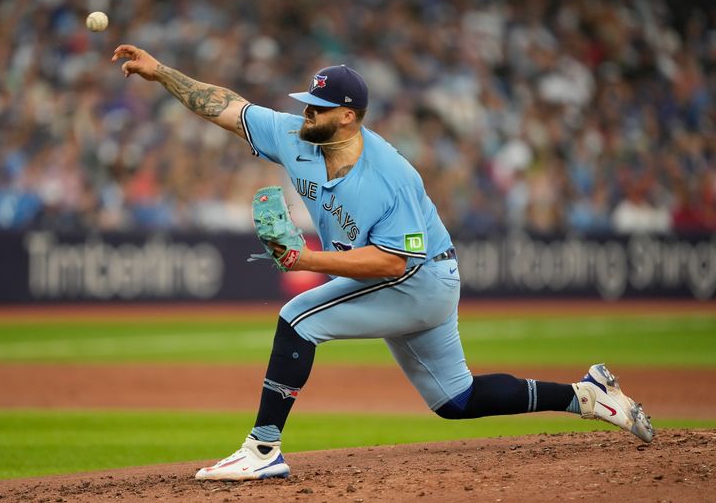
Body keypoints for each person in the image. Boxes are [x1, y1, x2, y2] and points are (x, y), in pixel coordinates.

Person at [111, 45, 654, 481]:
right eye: (306, 103)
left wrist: (304, 258)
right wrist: (161, 73)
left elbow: (393, 264)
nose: (306, 113)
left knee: (298, 318)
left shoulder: (388, 175)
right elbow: (225, 105)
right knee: (454, 400)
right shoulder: (295, 137)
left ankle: (263, 449)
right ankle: (586, 395)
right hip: (417, 281)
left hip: (419, 281)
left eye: (317, 108)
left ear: (347, 117)